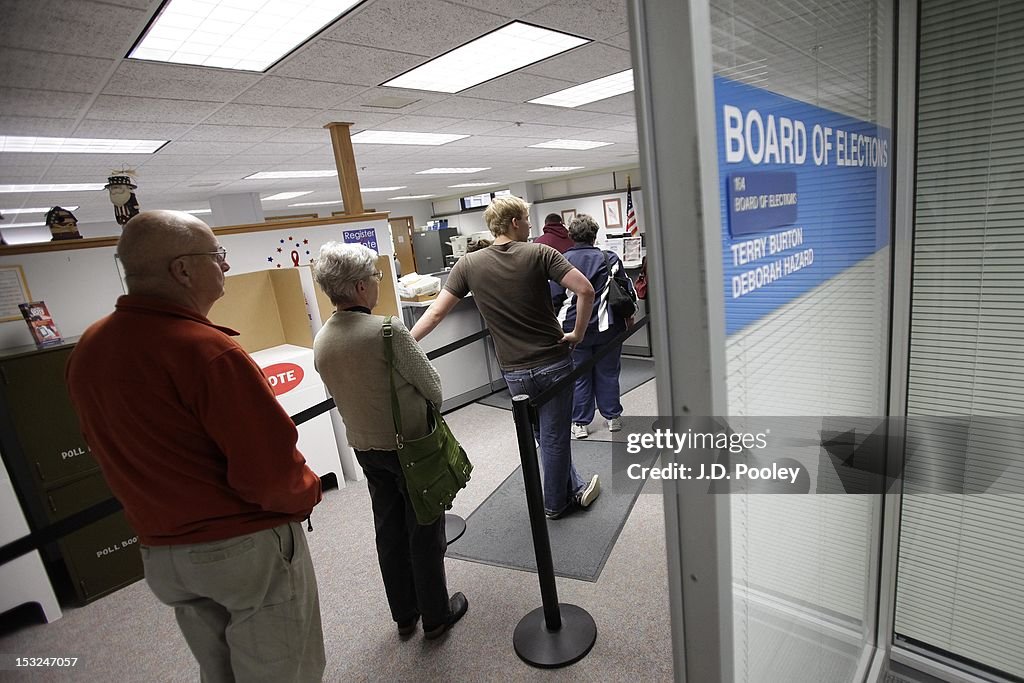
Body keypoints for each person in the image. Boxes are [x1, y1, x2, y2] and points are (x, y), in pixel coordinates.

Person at [66, 210, 325, 682]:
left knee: (219, 670)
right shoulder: (207, 351)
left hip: (164, 554)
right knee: (284, 671)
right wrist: (308, 494)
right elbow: (268, 474)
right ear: (182, 269)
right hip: (240, 550)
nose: (225, 267)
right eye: (217, 255)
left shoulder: (91, 347)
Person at [312, 242, 468, 639]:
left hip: (365, 448)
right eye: (376, 277)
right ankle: (435, 615)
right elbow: (433, 387)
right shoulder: (387, 331)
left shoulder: (322, 339)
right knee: (424, 529)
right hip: (410, 447)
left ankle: (404, 614)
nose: (378, 283)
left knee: (388, 529)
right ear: (361, 287)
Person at [411, 196, 600, 520]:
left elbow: (437, 312)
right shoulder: (540, 253)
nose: (530, 225)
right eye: (526, 219)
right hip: (552, 362)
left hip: (514, 371)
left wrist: (405, 343)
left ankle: (573, 485)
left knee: (542, 435)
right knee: (554, 436)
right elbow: (585, 290)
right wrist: (578, 334)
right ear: (514, 222)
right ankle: (557, 504)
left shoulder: (469, 264)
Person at [555, 214, 637, 439]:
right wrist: (629, 317)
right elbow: (626, 291)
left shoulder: (560, 260)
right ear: (594, 235)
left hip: (572, 329)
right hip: (608, 327)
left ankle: (580, 423)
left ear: (571, 236)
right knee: (609, 372)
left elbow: (554, 297)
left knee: (579, 376)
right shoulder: (609, 257)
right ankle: (612, 418)